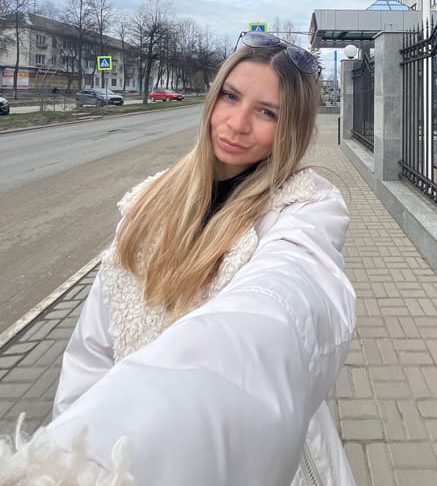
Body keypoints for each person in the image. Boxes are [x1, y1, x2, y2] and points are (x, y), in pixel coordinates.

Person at [0, 32, 357, 486]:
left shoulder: (305, 208)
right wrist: (77, 456)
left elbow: (283, 304)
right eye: (230, 96)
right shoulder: (147, 202)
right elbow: (92, 353)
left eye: (267, 112)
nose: (237, 123)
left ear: (293, 128)